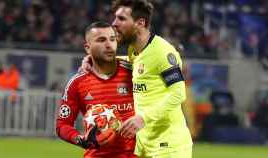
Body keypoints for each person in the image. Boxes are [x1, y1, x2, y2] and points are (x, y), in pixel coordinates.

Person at [81, 0, 193, 157]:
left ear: (140, 23)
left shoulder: (162, 52)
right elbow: (137, 63)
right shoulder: (135, 50)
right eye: (115, 18)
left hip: (168, 146)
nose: (114, 24)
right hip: (144, 144)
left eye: (121, 19)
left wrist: (143, 118)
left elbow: (178, 93)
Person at [56, 21, 136, 158]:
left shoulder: (135, 72)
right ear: (88, 48)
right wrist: (81, 139)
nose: (109, 44)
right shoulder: (77, 83)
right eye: (101, 40)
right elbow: (62, 125)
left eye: (112, 39)